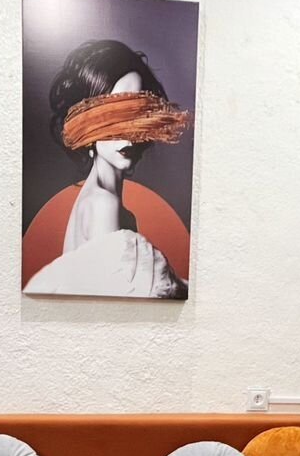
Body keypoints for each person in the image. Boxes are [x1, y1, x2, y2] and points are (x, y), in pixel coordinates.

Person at [24, 40, 190, 299]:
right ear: (87, 123)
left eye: (137, 115)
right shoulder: (103, 205)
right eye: (114, 115)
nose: (129, 134)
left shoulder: (96, 202)